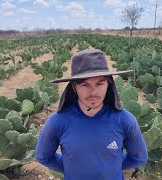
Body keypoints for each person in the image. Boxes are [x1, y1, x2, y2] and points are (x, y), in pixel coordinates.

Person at [35, 49, 148, 180]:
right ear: (73, 86)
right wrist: (71, 169)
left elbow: (139, 157)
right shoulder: (57, 122)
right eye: (85, 85)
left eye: (100, 83)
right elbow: (43, 156)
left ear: (108, 83)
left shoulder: (124, 120)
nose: (93, 92)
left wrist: (113, 167)